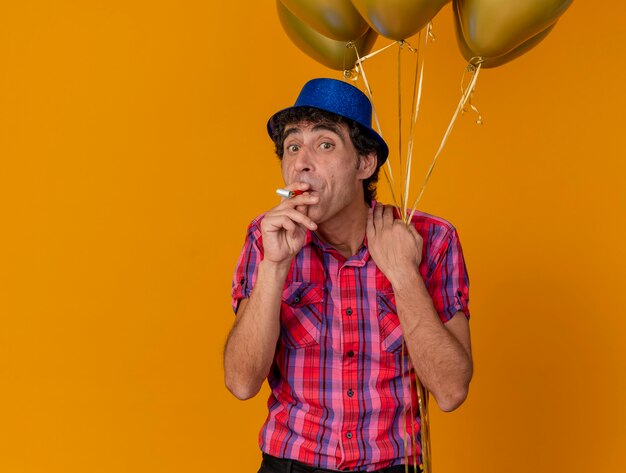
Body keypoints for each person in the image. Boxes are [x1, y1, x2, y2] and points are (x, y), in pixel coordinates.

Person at [224, 78, 473, 473]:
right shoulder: (265, 237)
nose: (301, 162)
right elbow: (241, 383)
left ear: (365, 163)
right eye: (292, 147)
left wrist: (404, 275)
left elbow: (451, 391)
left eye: (325, 144)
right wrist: (275, 266)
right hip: (291, 464)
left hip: (393, 465)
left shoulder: (433, 239)